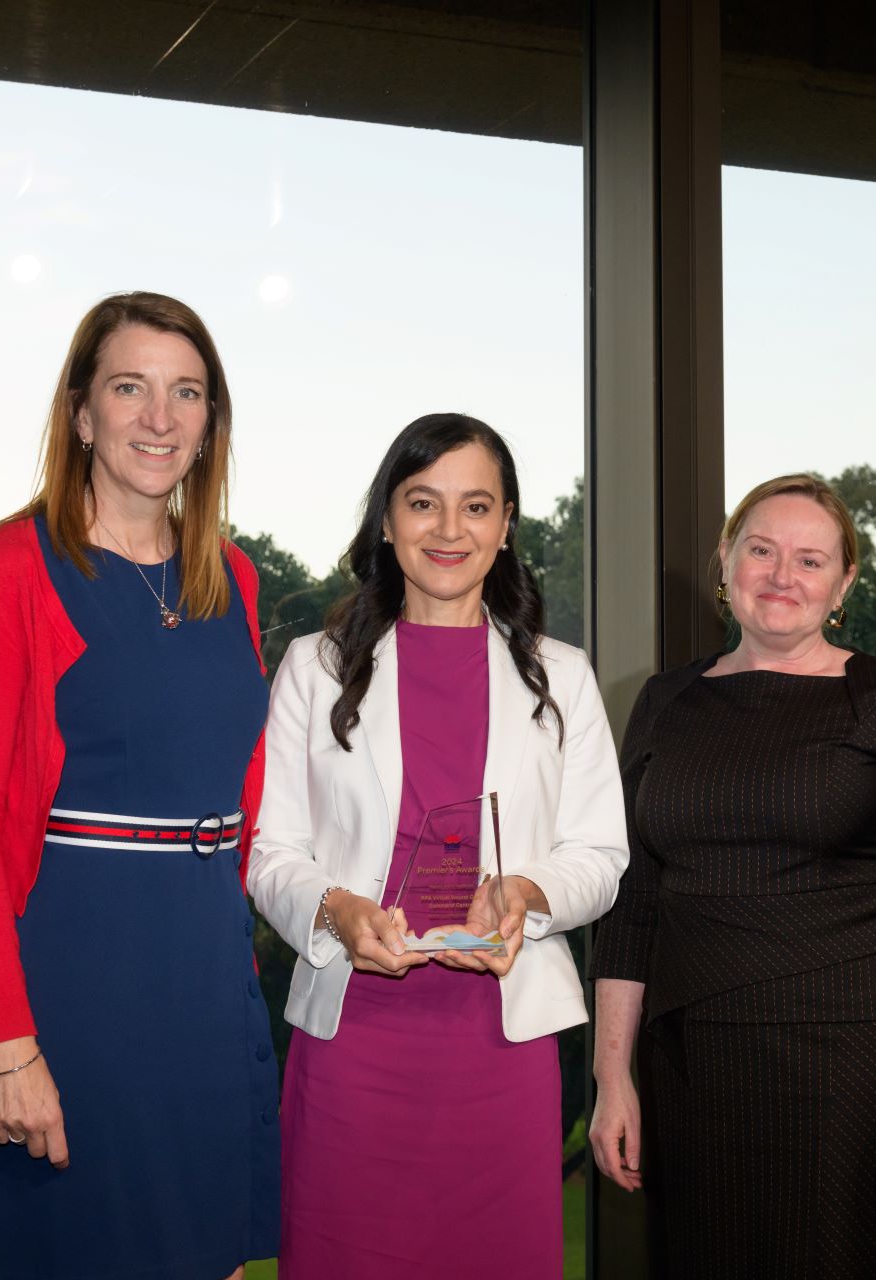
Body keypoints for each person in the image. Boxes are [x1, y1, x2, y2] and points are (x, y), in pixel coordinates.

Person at [0, 291, 279, 1280]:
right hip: (74, 990)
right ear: (81, 411)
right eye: (131, 388)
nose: (159, 418)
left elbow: (245, 808)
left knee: (210, 1256)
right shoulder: (5, 567)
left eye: (186, 393)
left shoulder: (234, 578)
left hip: (210, 985)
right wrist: (8, 1040)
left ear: (211, 422)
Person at [247, 412, 628, 1278]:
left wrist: (526, 894)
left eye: (476, 507)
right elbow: (273, 852)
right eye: (424, 503)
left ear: (506, 527)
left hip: (501, 1045)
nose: (449, 531)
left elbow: (601, 855)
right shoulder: (314, 666)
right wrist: (336, 910)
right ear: (386, 520)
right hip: (354, 1041)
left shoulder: (561, 675)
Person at [587, 474, 876, 1279]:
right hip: (689, 1066)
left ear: (843, 584)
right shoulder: (665, 701)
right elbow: (633, 905)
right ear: (725, 559)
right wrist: (611, 1076)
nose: (781, 575)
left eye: (810, 559)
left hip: (846, 1064)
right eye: (761, 550)